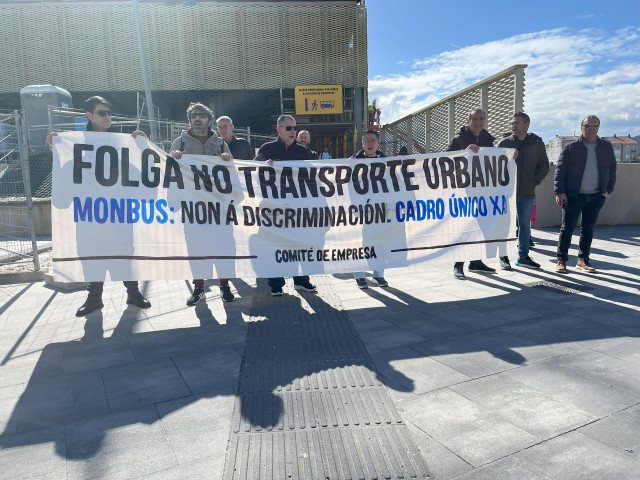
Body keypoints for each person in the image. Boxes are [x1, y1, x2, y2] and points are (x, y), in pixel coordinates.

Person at [47, 96, 151, 317]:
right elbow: (67, 173)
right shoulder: (76, 142)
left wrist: (142, 145)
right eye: (102, 113)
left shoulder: (121, 141)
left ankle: (133, 293)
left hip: (118, 210)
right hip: (89, 212)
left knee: (125, 253)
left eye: (108, 112)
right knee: (92, 255)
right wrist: (56, 149)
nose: (107, 117)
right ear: (89, 115)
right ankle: (94, 298)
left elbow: (137, 173)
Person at [169, 103, 234, 305]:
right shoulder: (179, 143)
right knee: (197, 249)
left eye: (202, 115)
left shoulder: (222, 144)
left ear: (209, 120)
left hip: (219, 208)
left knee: (223, 247)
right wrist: (175, 160)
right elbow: (172, 175)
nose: (197, 119)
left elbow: (231, 176)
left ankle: (224, 284)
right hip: (193, 208)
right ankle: (199, 288)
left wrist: (228, 161)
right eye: (194, 116)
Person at [255, 115, 317, 296]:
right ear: (278, 129)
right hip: (272, 208)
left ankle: (301, 280)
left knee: (299, 244)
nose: (293, 131)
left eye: (294, 128)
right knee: (274, 245)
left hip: (296, 208)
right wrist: (262, 165)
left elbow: (309, 179)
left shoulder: (302, 151)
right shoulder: (267, 149)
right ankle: (276, 283)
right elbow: (251, 169)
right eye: (288, 128)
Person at [554, 115, 616, 273]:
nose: (592, 128)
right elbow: (560, 171)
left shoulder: (606, 147)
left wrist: (608, 189)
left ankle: (583, 259)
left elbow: (612, 168)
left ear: (599, 127)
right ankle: (561, 259)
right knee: (567, 228)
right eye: (588, 125)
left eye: (595, 125)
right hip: (574, 195)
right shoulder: (571, 148)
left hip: (596, 195)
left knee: (588, 228)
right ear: (582, 128)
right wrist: (560, 192)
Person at [447, 108, 496, 278]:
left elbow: (494, 160)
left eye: (481, 118)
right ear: (468, 121)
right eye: (474, 119)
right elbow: (447, 160)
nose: (478, 122)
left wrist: (509, 157)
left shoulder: (488, 139)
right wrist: (465, 151)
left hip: (482, 191)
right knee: (464, 228)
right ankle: (458, 264)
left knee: (481, 227)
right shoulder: (459, 139)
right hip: (463, 191)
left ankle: (475, 261)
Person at [497, 112, 549, 270]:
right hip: (507, 193)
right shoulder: (504, 143)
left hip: (526, 193)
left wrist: (534, 181)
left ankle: (523, 257)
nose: (514, 126)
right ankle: (503, 258)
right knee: (505, 226)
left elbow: (544, 166)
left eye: (517, 123)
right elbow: (493, 165)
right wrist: (507, 158)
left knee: (525, 226)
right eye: (512, 123)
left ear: (527, 125)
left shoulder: (536, 143)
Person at [351, 129, 388, 289]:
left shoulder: (387, 162)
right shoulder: (353, 162)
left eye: (373, 140)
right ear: (362, 144)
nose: (370, 143)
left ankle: (379, 274)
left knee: (381, 242)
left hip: (380, 210)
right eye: (367, 140)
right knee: (360, 244)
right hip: (361, 210)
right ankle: (359, 276)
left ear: (378, 143)